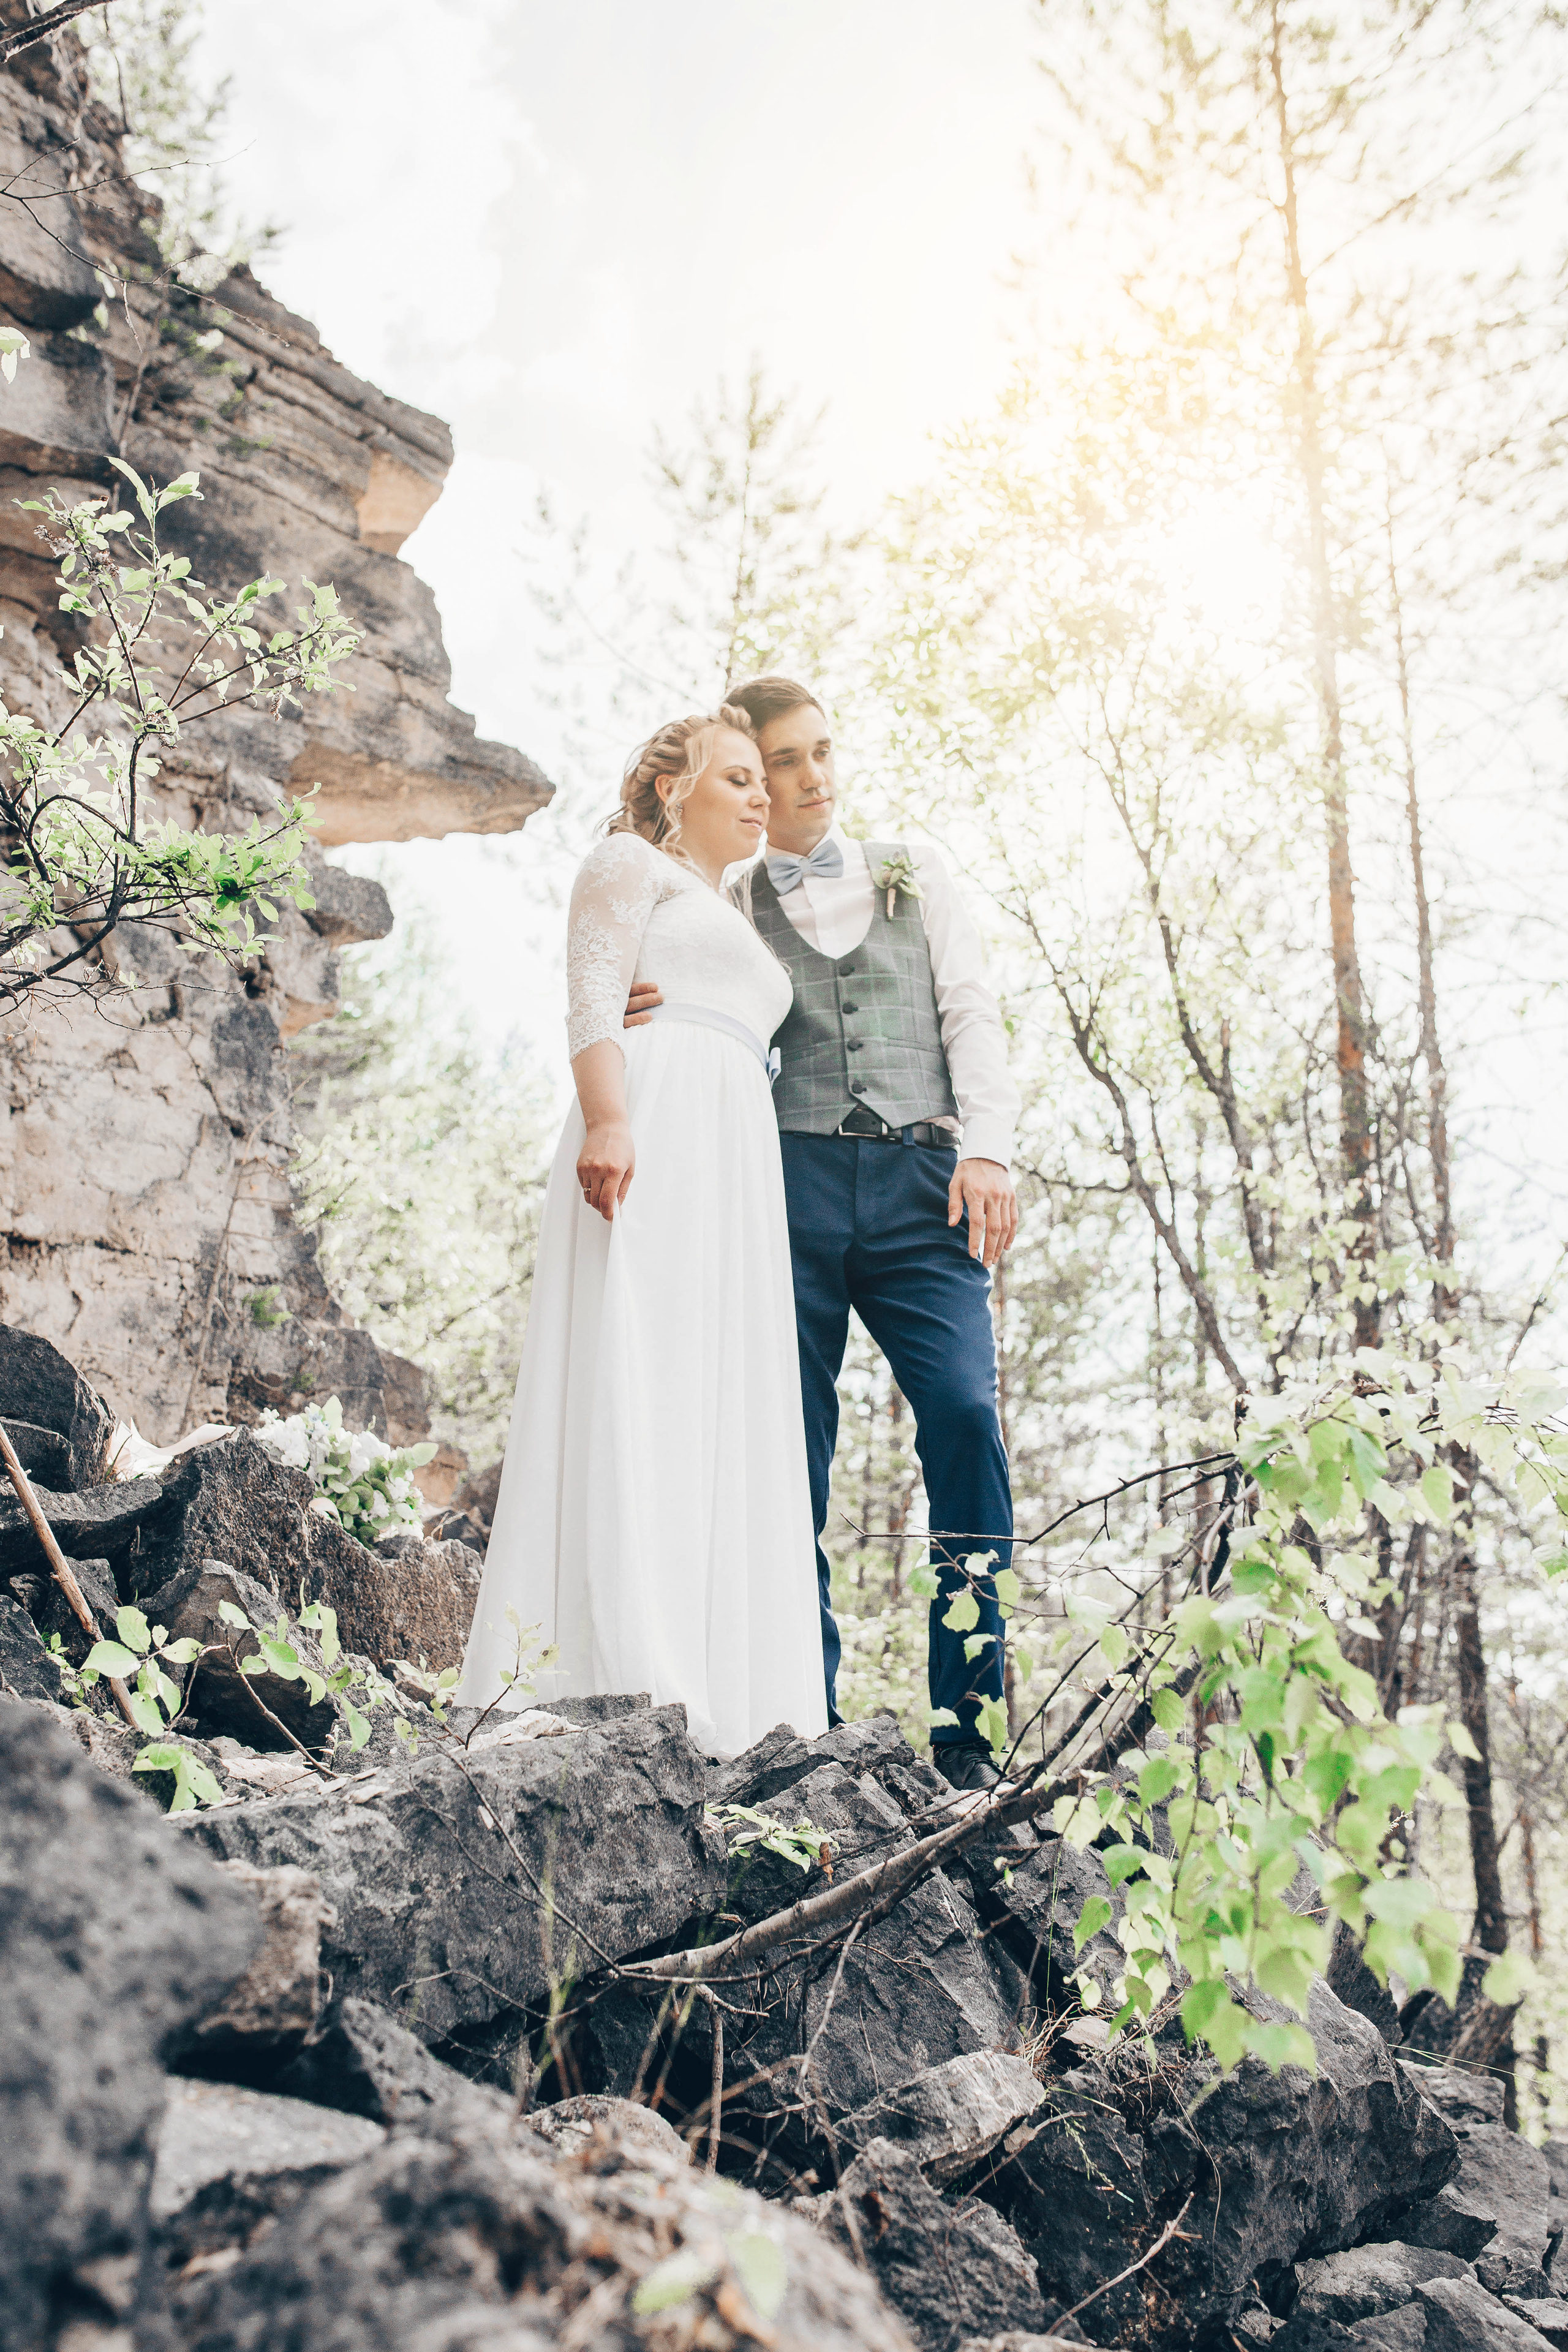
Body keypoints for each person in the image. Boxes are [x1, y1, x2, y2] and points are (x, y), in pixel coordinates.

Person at [629, 676, 1020, 1792]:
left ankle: (971, 1733)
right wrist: (618, 1012)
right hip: (780, 1188)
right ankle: (805, 1718)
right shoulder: (730, 892)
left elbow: (972, 1009)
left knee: (964, 1416)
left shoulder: (917, 869)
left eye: (817, 754)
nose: (807, 780)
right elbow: (654, 977)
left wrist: (985, 1148)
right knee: (785, 1456)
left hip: (922, 1186)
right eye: (778, 765)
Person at [456, 706, 828, 1758]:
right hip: (657, 1129)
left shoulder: (730, 907)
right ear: (676, 789)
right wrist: (612, 1116)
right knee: (646, 1371)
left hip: (735, 1166)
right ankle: (625, 1667)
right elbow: (588, 995)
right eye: (740, 778)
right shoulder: (627, 863)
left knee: (718, 1395)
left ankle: (737, 1690)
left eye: (768, 781)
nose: (763, 797)